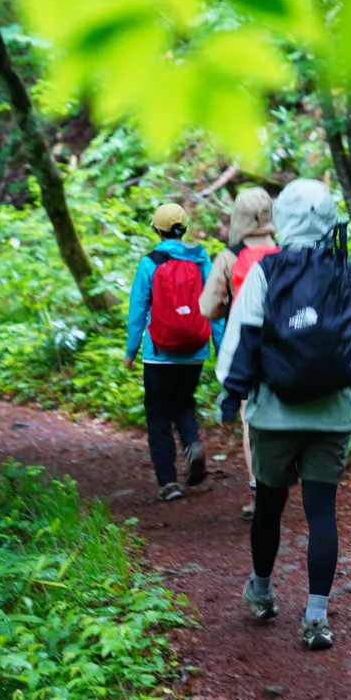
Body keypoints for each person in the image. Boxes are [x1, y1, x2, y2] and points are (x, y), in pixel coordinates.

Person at [215, 179, 351, 650]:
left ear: (284, 219)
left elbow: (245, 337)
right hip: (331, 413)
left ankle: (262, 592)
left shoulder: (267, 272)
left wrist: (231, 394)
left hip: (273, 414)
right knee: (322, 511)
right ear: (329, 219)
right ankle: (317, 617)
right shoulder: (350, 273)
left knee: (269, 502)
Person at [125, 203, 224, 501]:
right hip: (194, 351)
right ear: (184, 228)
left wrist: (130, 350)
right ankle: (192, 443)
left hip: (158, 353)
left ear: (157, 229)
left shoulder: (149, 263)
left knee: (157, 414)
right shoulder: (201, 259)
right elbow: (215, 307)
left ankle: (168, 482)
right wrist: (220, 348)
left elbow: (138, 309)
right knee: (183, 404)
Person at [200, 187, 278, 521]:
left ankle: (259, 489)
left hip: (247, 347)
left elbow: (208, 308)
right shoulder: (287, 250)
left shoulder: (229, 257)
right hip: (288, 345)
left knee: (251, 417)